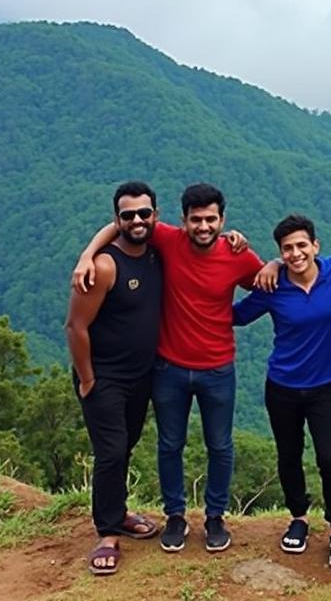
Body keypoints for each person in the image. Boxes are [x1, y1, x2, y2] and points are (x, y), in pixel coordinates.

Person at [73, 182, 262, 554]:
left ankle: (214, 518)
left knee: (220, 446)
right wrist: (86, 255)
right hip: (169, 367)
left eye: (211, 220)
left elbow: (268, 285)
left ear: (223, 221)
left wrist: (234, 315)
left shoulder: (237, 255)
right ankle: (175, 516)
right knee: (169, 445)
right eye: (196, 220)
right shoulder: (168, 240)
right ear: (182, 221)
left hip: (218, 367)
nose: (203, 226)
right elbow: (120, 224)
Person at [231, 214, 331, 568]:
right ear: (280, 253)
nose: (295, 253)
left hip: (323, 388)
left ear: (316, 246)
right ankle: (299, 518)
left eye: (302, 245)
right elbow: (238, 316)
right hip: (282, 386)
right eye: (286, 249)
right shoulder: (272, 286)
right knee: (289, 457)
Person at [65, 181, 163, 576]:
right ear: (117, 220)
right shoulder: (105, 266)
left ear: (154, 214)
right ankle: (107, 533)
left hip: (142, 375)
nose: (137, 221)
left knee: (126, 445)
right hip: (104, 377)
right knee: (111, 451)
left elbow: (198, 233)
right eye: (128, 215)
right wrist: (87, 379)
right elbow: (75, 326)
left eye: (144, 213)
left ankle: (118, 511)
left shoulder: (157, 252)